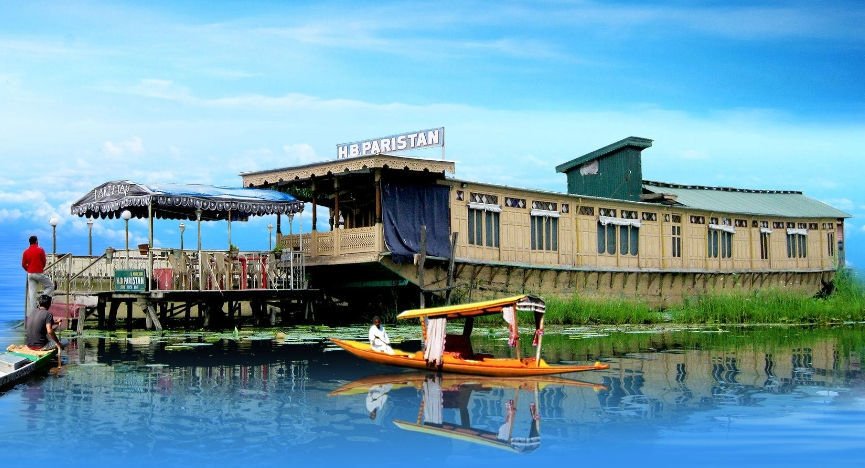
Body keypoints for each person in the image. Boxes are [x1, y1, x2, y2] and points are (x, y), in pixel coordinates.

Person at [22, 235, 54, 317]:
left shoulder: (25, 252)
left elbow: (23, 264)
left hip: (30, 274)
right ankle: (41, 298)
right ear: (36, 241)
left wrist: (28, 270)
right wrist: (40, 268)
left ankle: (33, 314)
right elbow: (44, 261)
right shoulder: (40, 250)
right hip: (38, 273)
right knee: (50, 286)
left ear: (29, 242)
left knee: (32, 293)